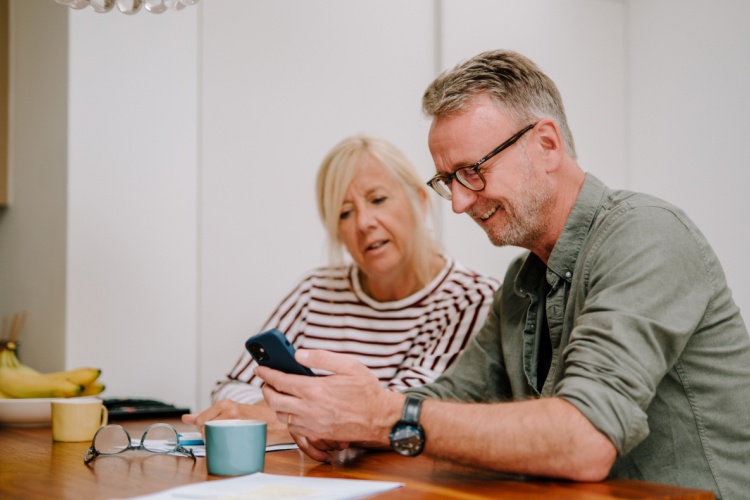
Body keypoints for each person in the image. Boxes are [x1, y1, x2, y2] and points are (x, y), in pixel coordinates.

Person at [256, 50, 750, 499]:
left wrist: (383, 415)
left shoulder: (647, 234)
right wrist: (346, 420)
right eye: (449, 182)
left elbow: (585, 439)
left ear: (547, 144)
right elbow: (447, 399)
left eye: (473, 170)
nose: (462, 203)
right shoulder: (521, 281)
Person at [183, 134, 499, 445]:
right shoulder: (316, 291)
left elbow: (405, 413)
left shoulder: (471, 300)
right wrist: (302, 420)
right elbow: (233, 386)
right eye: (344, 213)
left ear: (419, 200)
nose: (363, 223)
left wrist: (283, 419)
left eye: (378, 199)